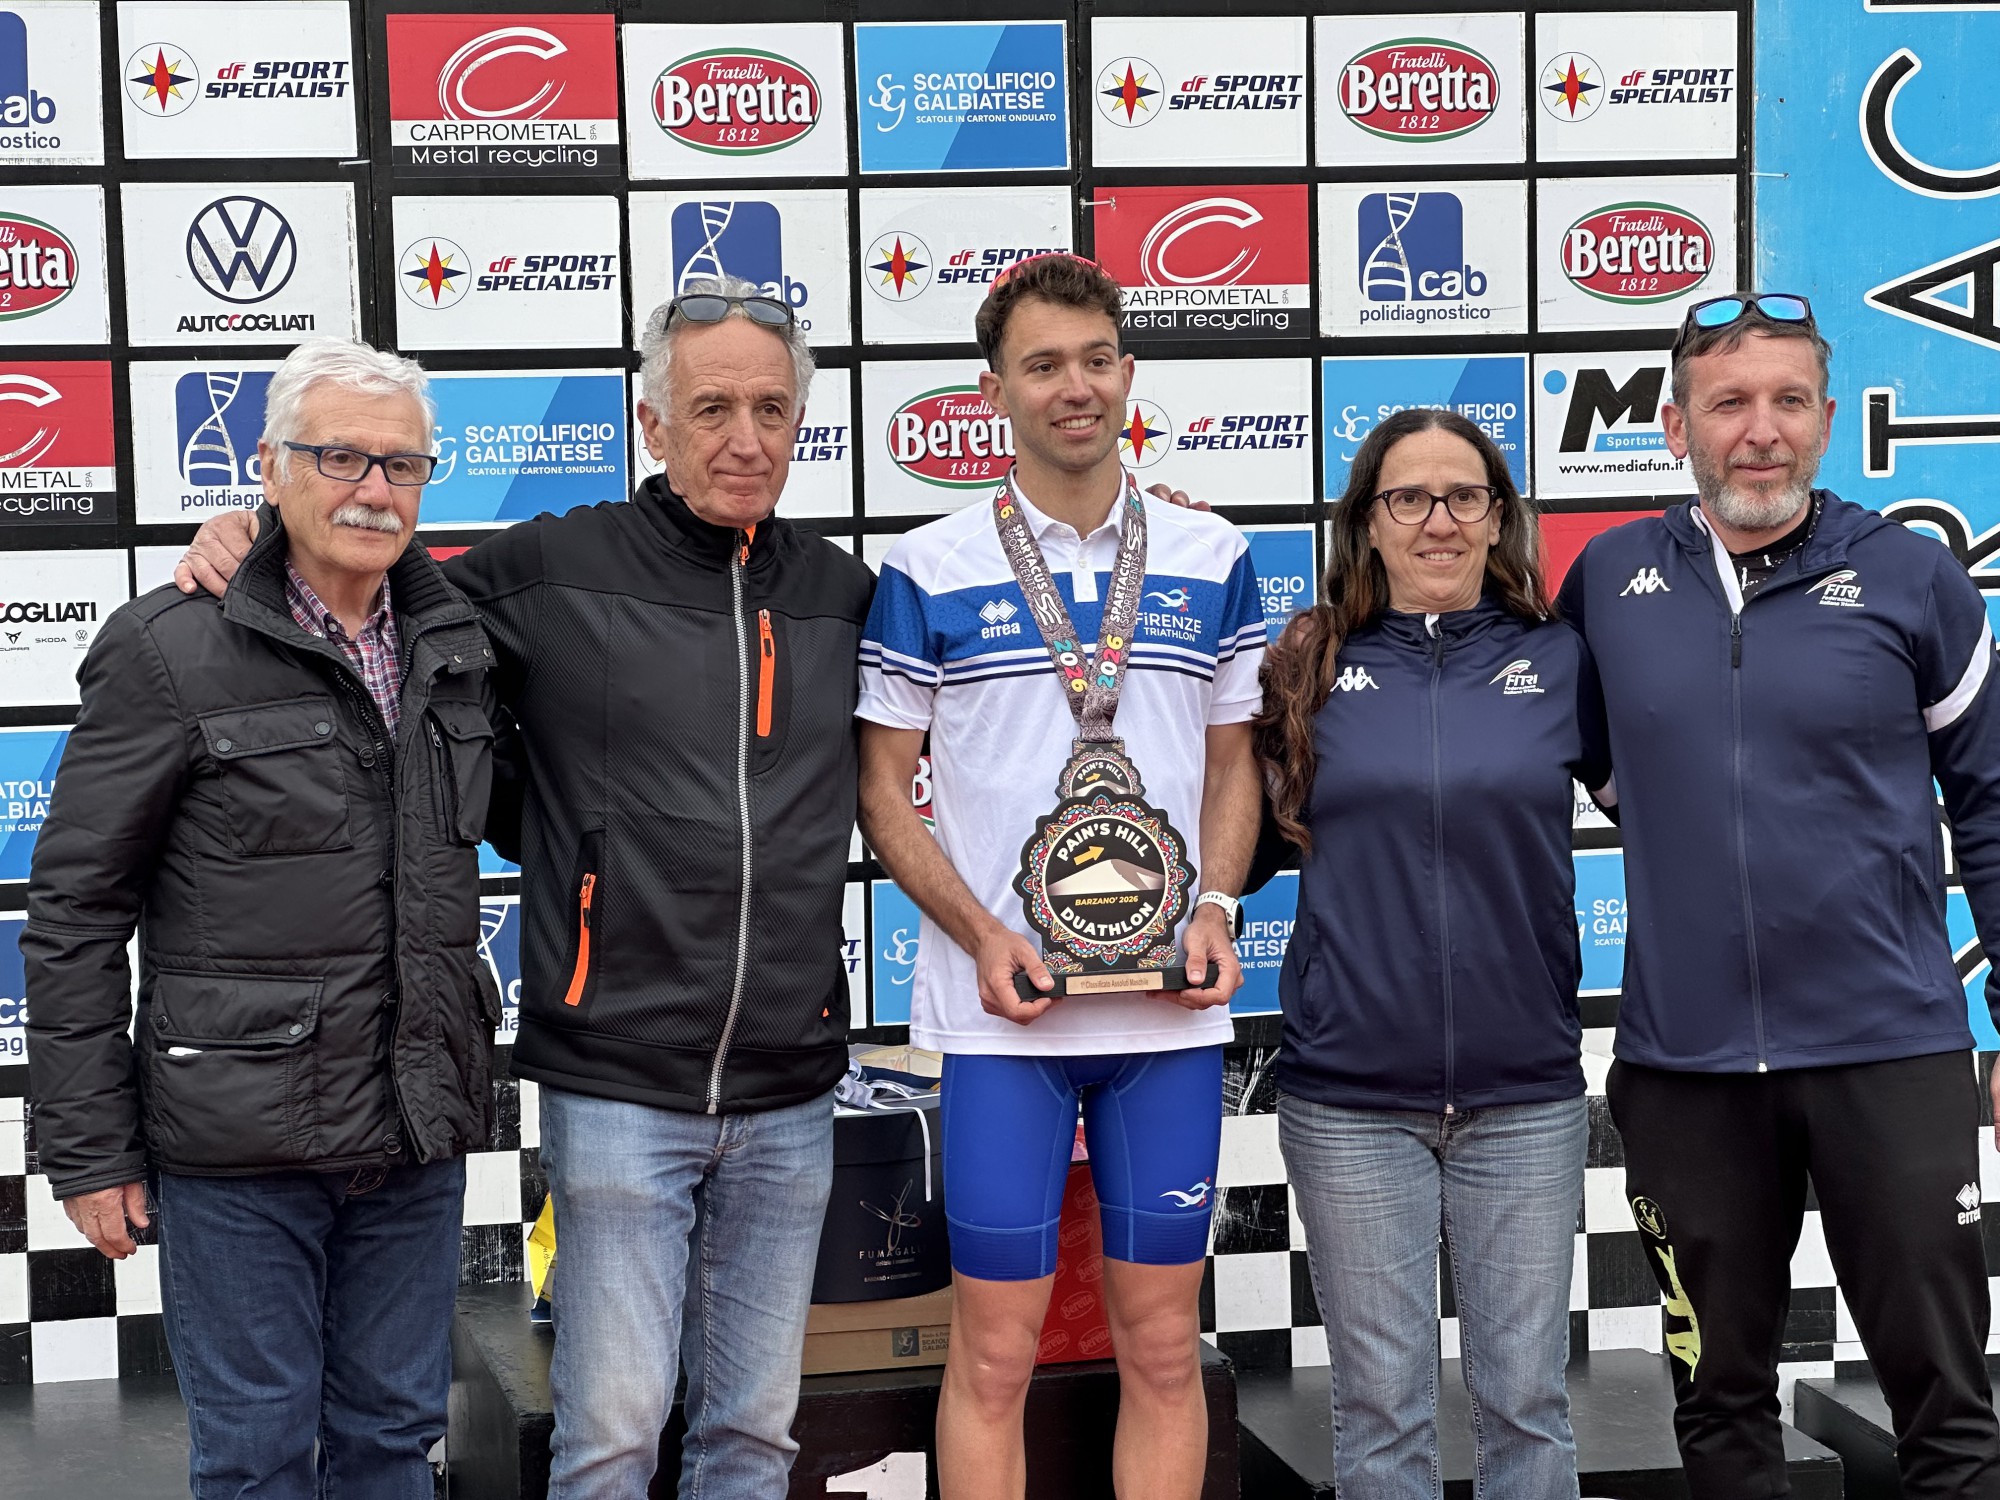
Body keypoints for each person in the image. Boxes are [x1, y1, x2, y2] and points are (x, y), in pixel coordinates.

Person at [175, 278, 878, 1499]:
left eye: (772, 410)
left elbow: (1005, 665)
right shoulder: (553, 568)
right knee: (610, 1440)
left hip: (790, 1086)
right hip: (617, 1079)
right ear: (652, 425)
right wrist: (251, 535)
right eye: (711, 409)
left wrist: (1155, 524)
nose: (744, 440)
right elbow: (364, 574)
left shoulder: (842, 592)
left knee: (755, 1442)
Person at [25, 338, 501, 1499]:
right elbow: (77, 909)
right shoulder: (166, 648)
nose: (373, 489)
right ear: (270, 468)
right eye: (339, 457)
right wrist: (89, 1150)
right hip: (237, 1148)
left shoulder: (459, 643)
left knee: (395, 1439)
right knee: (255, 1455)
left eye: (401, 464)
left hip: (413, 1127)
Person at [1557, 293, 2000, 1497]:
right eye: (1728, 403)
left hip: (1887, 1052)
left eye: (1787, 401)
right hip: (1686, 1070)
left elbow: (1989, 803)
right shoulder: (1606, 581)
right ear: (1674, 427)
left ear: (1824, 421)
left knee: (1947, 1411)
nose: (1759, 431)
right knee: (1718, 1412)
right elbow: (1545, 748)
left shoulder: (1909, 576)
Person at [855, 252, 1265, 1500]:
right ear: (994, 391)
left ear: (1128, 373)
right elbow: (881, 791)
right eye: (1041, 366)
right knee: (992, 1356)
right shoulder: (926, 569)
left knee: (1162, 1347)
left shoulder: (1210, 551)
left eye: (1094, 361)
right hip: (1002, 1022)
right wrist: (982, 934)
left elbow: (1233, 763)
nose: (1073, 387)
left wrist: (1213, 905)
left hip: (1166, 1021)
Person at [1251, 408, 1609, 1499]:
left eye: (1464, 496)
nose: (1438, 520)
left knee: (1528, 1408)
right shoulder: (1306, 664)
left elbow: (1668, 806)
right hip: (1350, 1100)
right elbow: (1238, 843)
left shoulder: (1561, 660)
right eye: (1408, 497)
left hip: (1525, 1093)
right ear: (1367, 522)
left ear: (1498, 518)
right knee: (1380, 1416)